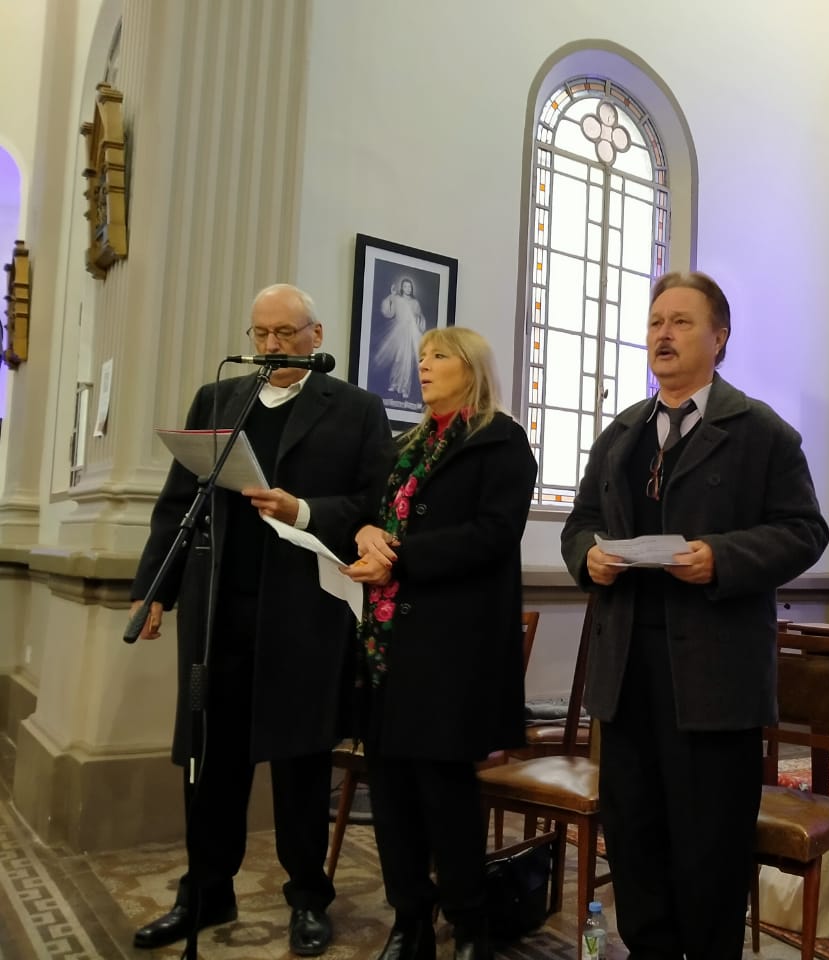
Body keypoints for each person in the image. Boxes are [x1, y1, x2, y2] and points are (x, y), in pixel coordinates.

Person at [561, 271, 829, 960]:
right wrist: (587, 557)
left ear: (720, 337)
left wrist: (722, 558)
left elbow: (804, 531)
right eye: (655, 322)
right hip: (627, 671)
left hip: (713, 677)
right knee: (636, 837)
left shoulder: (760, 431)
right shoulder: (622, 433)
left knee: (709, 845)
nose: (663, 334)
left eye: (681, 321)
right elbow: (581, 524)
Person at [129, 283, 393, 956]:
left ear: (316, 334)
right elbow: (177, 502)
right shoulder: (220, 400)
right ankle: (206, 889)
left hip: (303, 607)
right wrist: (154, 587)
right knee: (209, 755)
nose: (272, 347)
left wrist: (300, 507)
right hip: (218, 604)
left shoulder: (356, 409)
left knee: (301, 760)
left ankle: (308, 895)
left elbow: (372, 502)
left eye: (286, 333)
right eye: (261, 335)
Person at [342, 326, 536, 960]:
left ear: (471, 368)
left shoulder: (500, 442)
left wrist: (397, 558)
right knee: (391, 787)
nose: (424, 366)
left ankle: (469, 920)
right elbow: (373, 514)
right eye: (421, 357)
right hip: (388, 644)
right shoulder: (403, 446)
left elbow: (492, 534)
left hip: (454, 648)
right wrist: (369, 532)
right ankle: (410, 920)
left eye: (439, 357)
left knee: (444, 791)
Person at [377, 277, 428, 399]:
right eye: (405, 286)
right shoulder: (397, 299)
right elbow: (389, 312)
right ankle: (394, 384)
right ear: (402, 288)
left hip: (410, 333)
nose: (407, 289)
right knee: (398, 359)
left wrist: (416, 319)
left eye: (409, 287)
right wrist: (391, 296)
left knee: (407, 361)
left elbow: (420, 318)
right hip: (398, 332)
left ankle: (404, 388)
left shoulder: (415, 303)